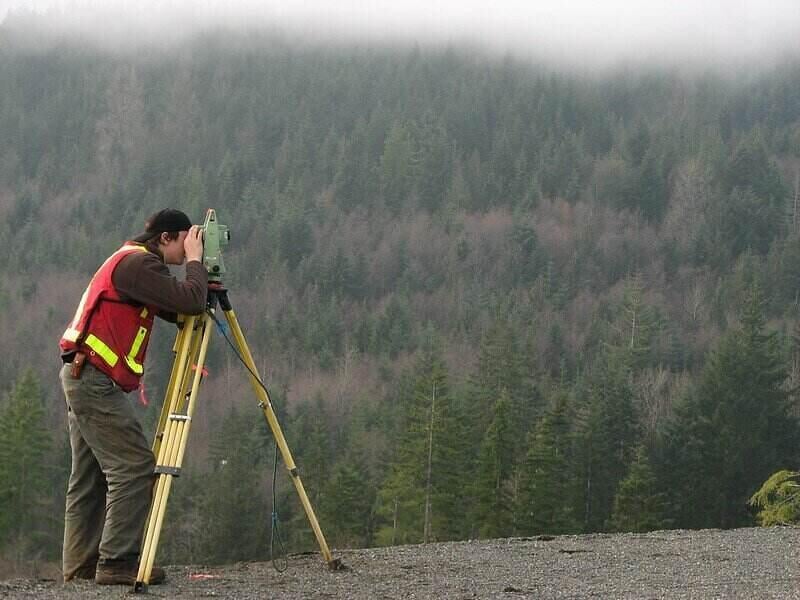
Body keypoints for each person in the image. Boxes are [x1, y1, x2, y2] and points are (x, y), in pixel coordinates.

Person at [58, 209, 207, 585]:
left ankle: (80, 568)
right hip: (92, 381)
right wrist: (195, 263)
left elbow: (177, 306)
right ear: (166, 238)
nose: (183, 252)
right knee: (135, 467)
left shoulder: (129, 262)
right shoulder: (139, 265)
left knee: (89, 477)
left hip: (83, 375)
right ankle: (116, 562)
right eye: (182, 242)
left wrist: (199, 282)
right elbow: (189, 301)